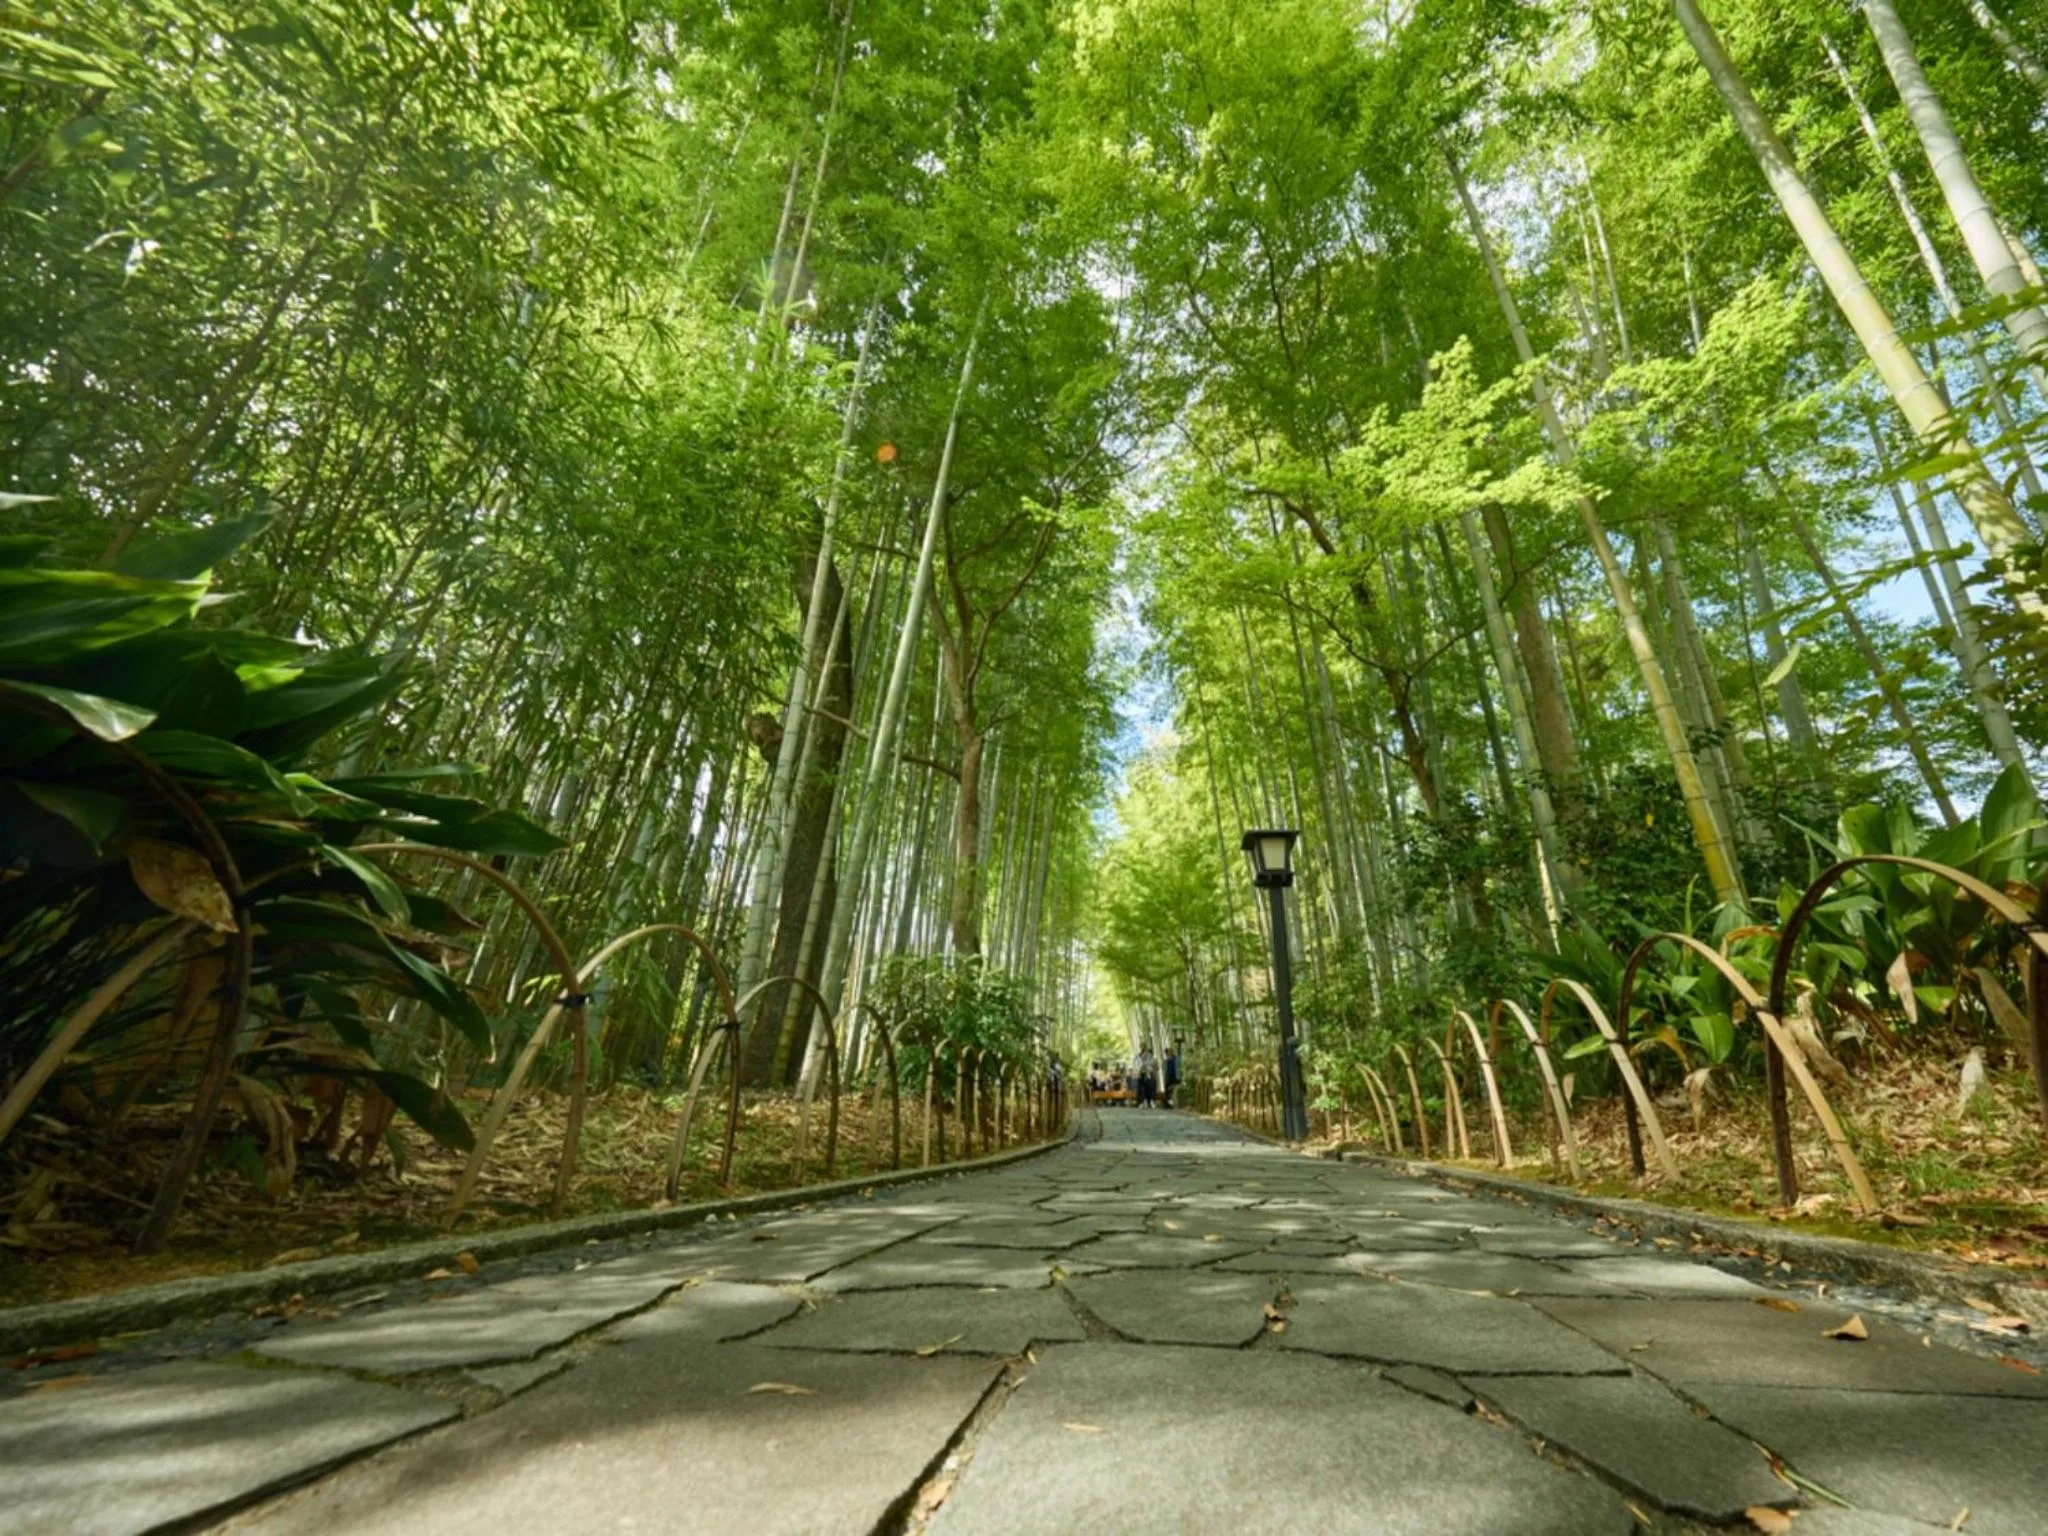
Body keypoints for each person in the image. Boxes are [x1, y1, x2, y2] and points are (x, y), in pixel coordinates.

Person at [1162, 1044, 1180, 1109]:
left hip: (1174, 1077)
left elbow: (1176, 1069)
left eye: (1170, 1052)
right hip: (1169, 1077)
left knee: (1171, 1091)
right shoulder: (1167, 1060)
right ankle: (1167, 1103)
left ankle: (1170, 1103)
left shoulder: (1175, 1059)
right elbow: (1166, 1070)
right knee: (1167, 1091)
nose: (1169, 1053)